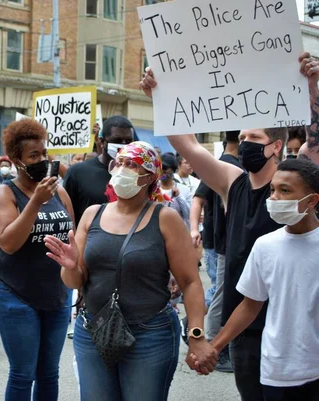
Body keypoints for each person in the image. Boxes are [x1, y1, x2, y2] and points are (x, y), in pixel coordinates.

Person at [140, 52, 319, 399]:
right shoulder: (232, 182)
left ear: (276, 146)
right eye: (243, 137)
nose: (245, 144)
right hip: (245, 322)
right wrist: (160, 97)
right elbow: (188, 145)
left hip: (295, 322)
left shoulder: (297, 180)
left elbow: (315, 141)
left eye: (253, 138)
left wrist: (312, 87)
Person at [44, 141, 215, 401]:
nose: (122, 169)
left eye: (132, 165)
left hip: (150, 334)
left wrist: (196, 336)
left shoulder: (165, 218)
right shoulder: (92, 214)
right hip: (93, 330)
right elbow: (75, 281)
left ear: (149, 177)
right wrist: (70, 265)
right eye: (120, 163)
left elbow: (191, 282)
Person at [207, 159, 319, 401]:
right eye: (273, 189)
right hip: (275, 369)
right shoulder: (265, 245)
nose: (275, 197)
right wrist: (214, 346)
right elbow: (249, 306)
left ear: (311, 200)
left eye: (285, 190)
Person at [0, 118, 75, 401]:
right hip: (17, 294)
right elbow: (9, 243)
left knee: (49, 373)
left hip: (58, 294)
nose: (41, 160)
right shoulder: (4, 193)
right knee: (23, 374)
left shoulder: (59, 192)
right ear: (17, 160)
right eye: (33, 156)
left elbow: (73, 240)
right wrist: (35, 202)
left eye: (44, 154)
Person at [188, 131, 242, 373]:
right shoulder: (222, 165)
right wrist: (193, 229)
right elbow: (198, 199)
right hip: (221, 242)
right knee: (221, 290)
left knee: (225, 290)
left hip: (228, 241)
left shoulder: (238, 165)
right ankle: (211, 340)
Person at [64, 115, 136, 227]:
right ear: (102, 142)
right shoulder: (78, 173)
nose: (123, 145)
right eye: (117, 140)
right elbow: (66, 216)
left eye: (128, 141)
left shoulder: (137, 173)